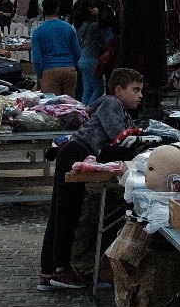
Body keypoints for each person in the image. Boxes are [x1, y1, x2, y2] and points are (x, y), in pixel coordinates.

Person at [39, 66, 144, 292]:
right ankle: (60, 271)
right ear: (118, 90)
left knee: (60, 212)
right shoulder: (111, 104)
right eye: (135, 90)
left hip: (72, 154)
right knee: (66, 213)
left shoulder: (117, 109)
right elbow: (119, 136)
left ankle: (47, 272)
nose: (140, 95)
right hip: (74, 154)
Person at [30, 0, 78, 96]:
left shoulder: (38, 32)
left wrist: (40, 75)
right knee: (69, 105)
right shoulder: (68, 28)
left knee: (52, 106)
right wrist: (71, 64)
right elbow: (77, 52)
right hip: (69, 69)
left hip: (49, 70)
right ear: (57, 8)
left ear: (43, 9)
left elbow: (37, 58)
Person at [73, 6, 105, 106]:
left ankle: (84, 111)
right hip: (92, 59)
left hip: (81, 60)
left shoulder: (81, 26)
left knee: (87, 89)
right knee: (98, 90)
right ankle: (91, 111)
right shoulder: (95, 26)